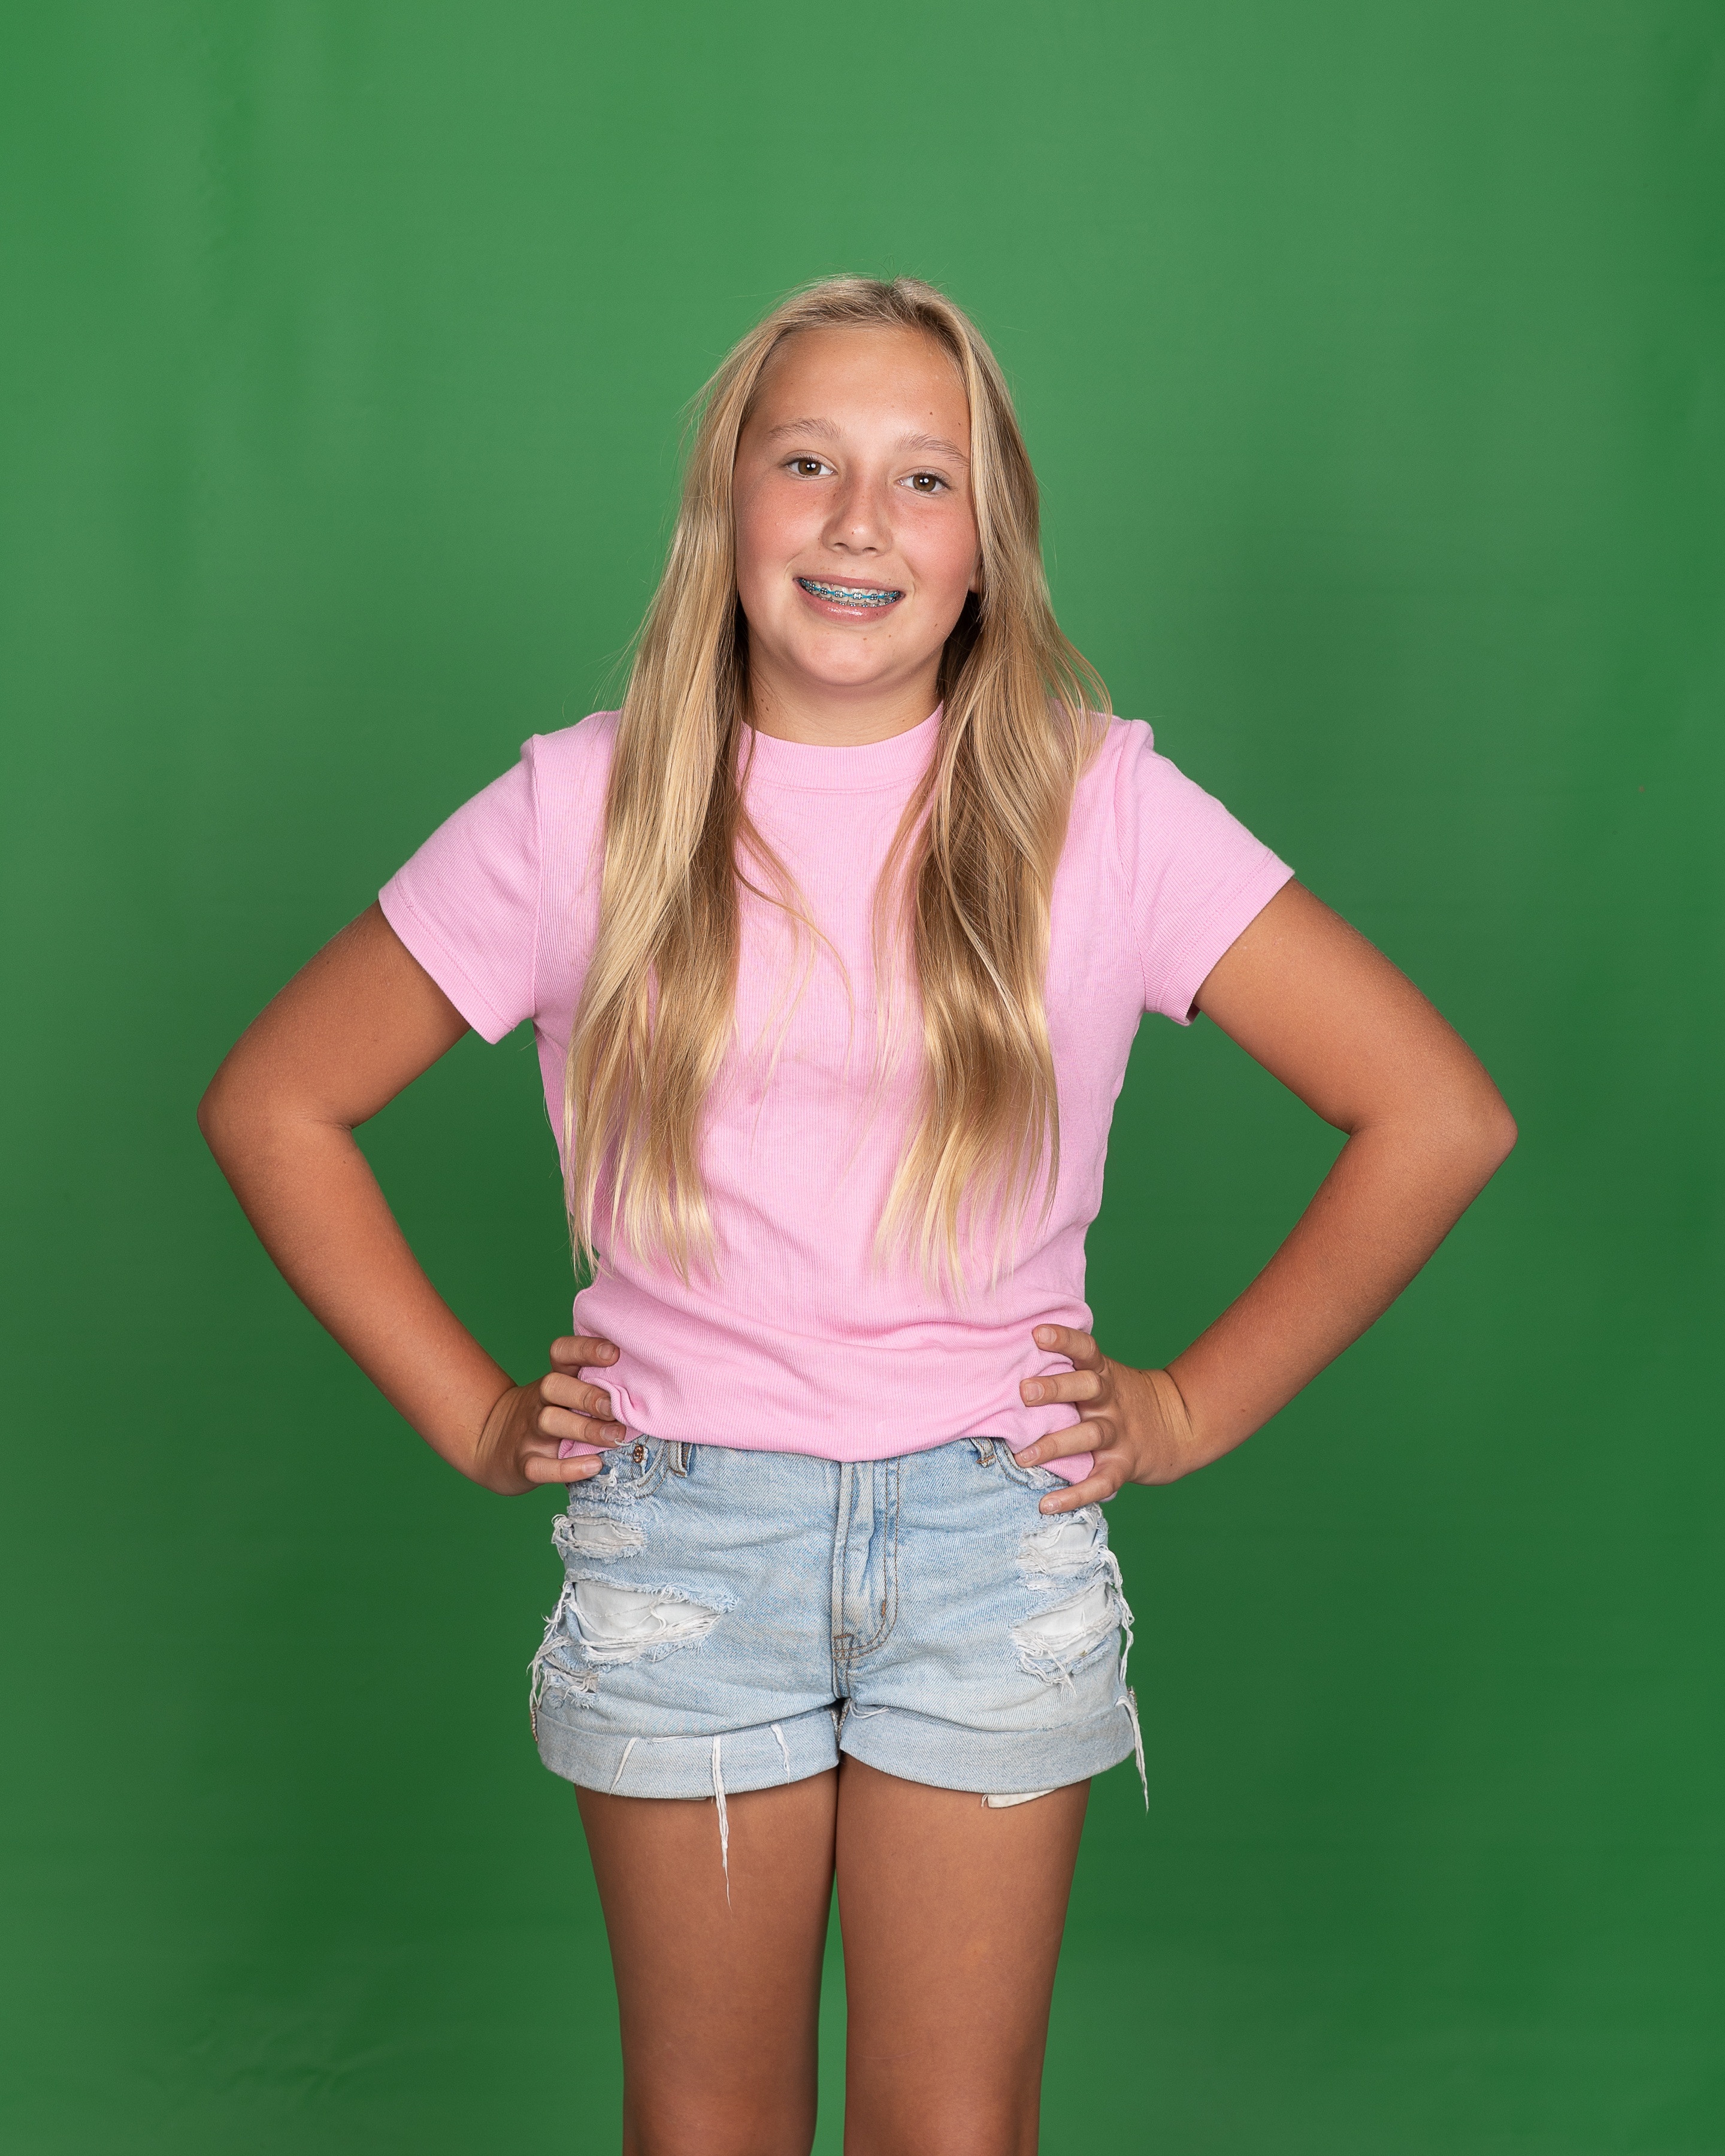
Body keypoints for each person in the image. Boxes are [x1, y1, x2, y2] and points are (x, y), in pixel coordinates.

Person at [198, 274, 1516, 2156]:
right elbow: (276, 1100)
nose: (857, 521)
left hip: (995, 1540)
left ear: (989, 545)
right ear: (728, 502)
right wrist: (474, 1412)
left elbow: (1436, 1113)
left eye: (924, 478)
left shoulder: (1101, 808)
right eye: (807, 462)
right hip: (686, 1538)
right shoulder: (580, 808)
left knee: (953, 2132)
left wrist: (1186, 1406)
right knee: (710, 2129)